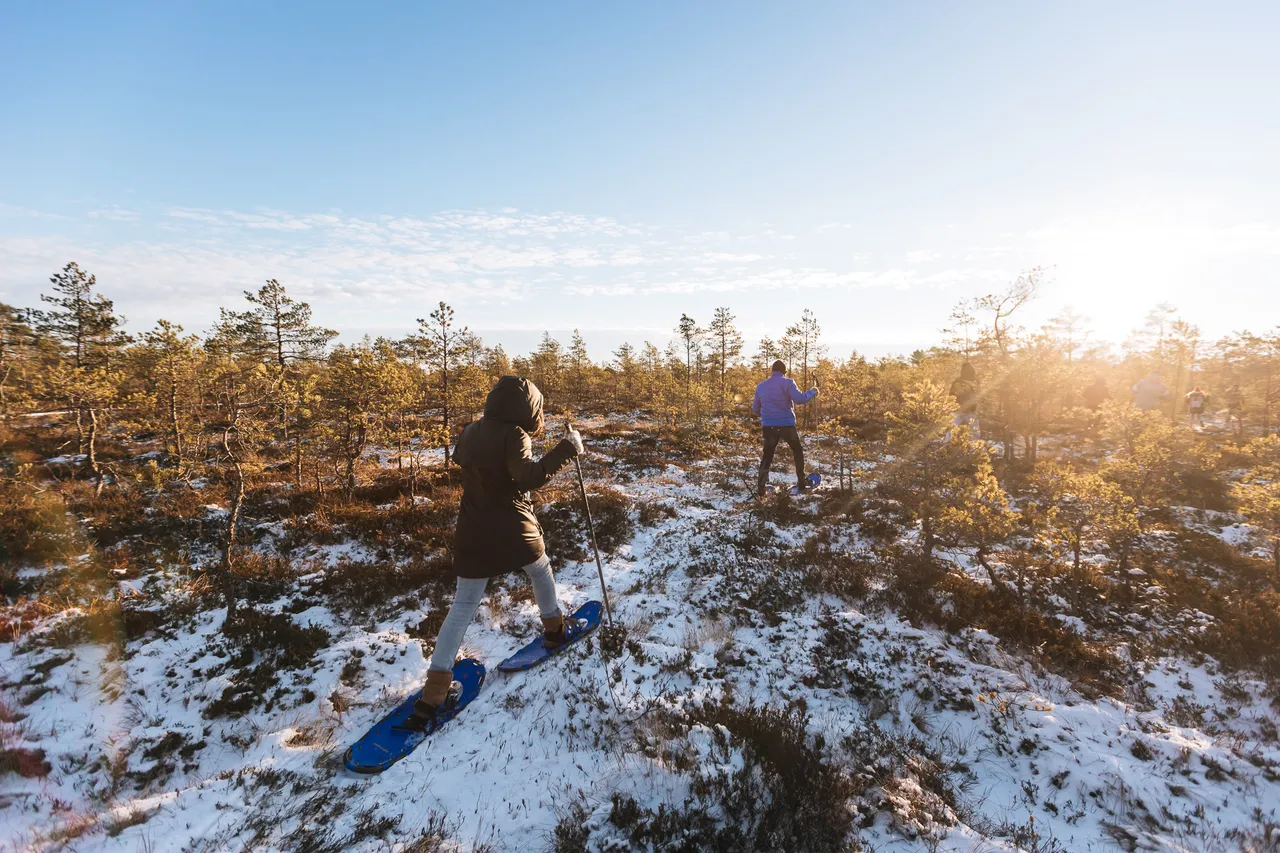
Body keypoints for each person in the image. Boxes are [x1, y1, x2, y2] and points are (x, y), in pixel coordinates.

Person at [405, 375, 583, 729]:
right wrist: (568, 448)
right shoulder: (514, 434)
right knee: (541, 570)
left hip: (472, 530)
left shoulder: (471, 430)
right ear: (528, 407)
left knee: (463, 606)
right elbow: (526, 476)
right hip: (514, 528)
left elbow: (481, 467)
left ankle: (433, 694)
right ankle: (554, 631)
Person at [752, 360, 818, 497]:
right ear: (784, 371)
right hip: (787, 425)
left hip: (769, 426)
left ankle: (761, 489)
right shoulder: (788, 383)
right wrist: (813, 392)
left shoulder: (761, 386)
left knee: (767, 456)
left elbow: (755, 409)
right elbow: (799, 399)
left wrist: (767, 415)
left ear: (772, 370)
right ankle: (801, 483)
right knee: (797, 452)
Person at [948, 362, 981, 438]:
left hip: (957, 410)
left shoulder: (957, 382)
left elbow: (951, 395)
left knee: (950, 429)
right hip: (967, 410)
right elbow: (976, 395)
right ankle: (975, 448)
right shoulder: (974, 382)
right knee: (974, 432)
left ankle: (944, 444)